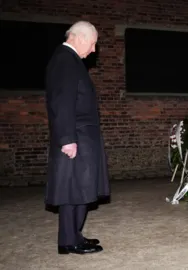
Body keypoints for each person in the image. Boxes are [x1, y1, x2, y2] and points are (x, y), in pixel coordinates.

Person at [44, 21, 110, 255]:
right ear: (79, 37)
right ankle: (69, 241)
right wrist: (67, 139)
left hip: (81, 135)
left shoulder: (68, 60)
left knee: (79, 188)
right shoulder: (65, 60)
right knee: (75, 189)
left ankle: (74, 235)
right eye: (93, 44)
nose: (94, 50)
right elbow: (62, 103)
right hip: (76, 137)